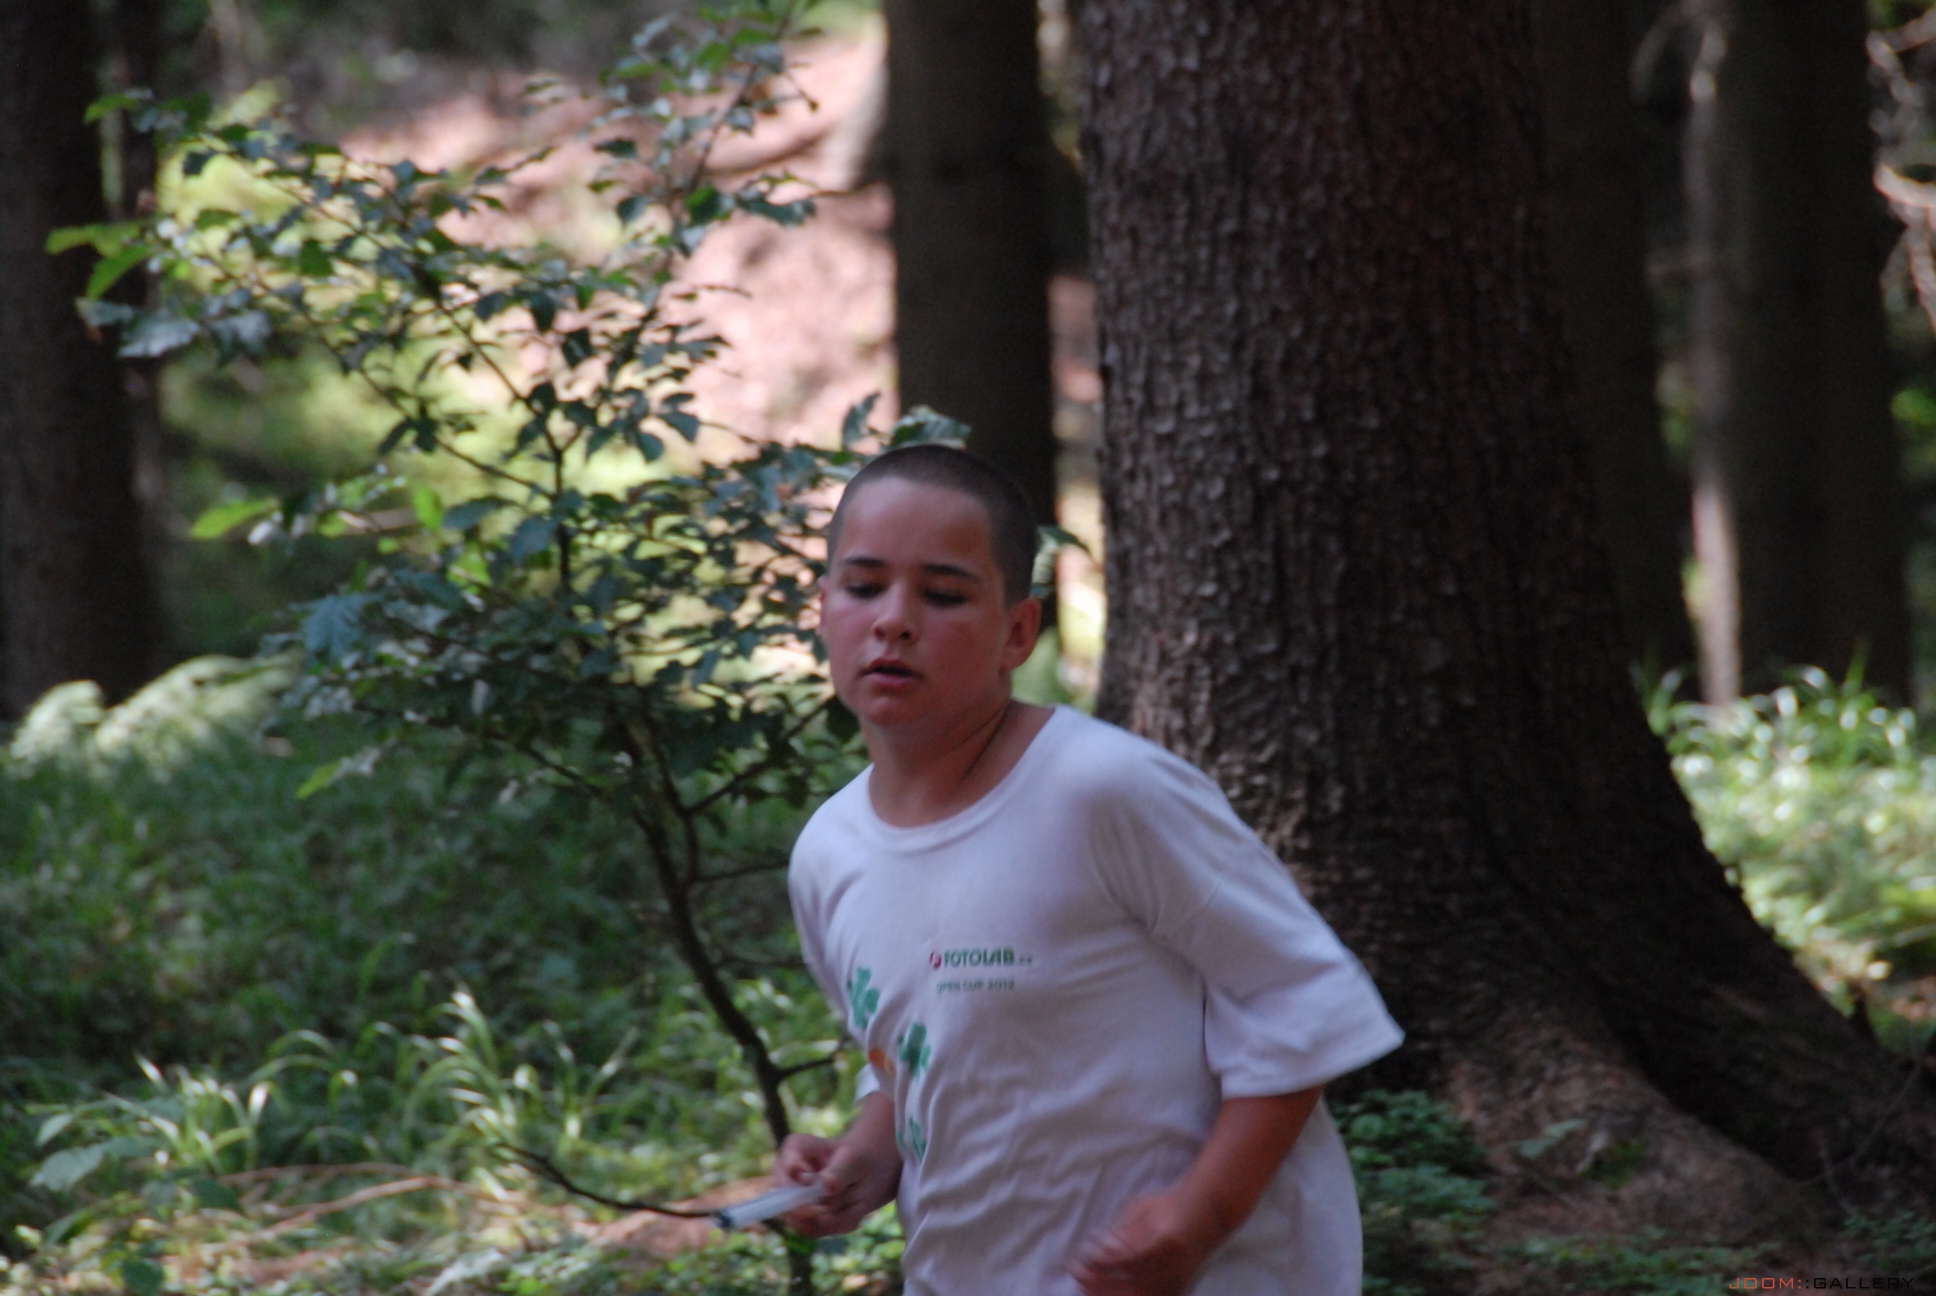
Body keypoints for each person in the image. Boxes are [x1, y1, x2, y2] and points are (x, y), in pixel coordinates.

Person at [776, 444, 1403, 1295]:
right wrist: (862, 1156)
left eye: (944, 594)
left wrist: (1203, 1214)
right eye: (863, 586)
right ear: (822, 610)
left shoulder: (1103, 791)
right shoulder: (829, 853)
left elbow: (1301, 1002)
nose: (894, 620)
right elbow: (912, 1058)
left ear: (1018, 632)